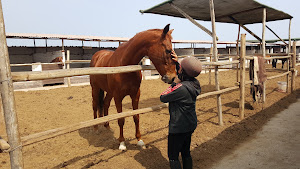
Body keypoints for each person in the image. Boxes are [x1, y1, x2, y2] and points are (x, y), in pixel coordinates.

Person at [160, 50, 202, 169]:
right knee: (186, 152)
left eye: (180, 69)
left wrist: (174, 83)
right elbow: (186, 73)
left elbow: (163, 97)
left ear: (183, 72)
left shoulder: (180, 88)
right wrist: (179, 62)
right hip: (190, 124)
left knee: (173, 157)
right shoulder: (195, 83)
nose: (178, 70)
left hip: (178, 127)